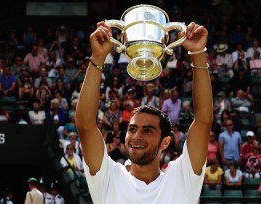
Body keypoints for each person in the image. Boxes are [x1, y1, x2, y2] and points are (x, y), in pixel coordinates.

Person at [75, 21, 212, 204]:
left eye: (148, 130)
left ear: (165, 142)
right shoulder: (108, 176)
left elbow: (203, 120)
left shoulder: (182, 178)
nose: (136, 136)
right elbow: (85, 125)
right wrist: (98, 57)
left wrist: (197, 53)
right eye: (132, 129)